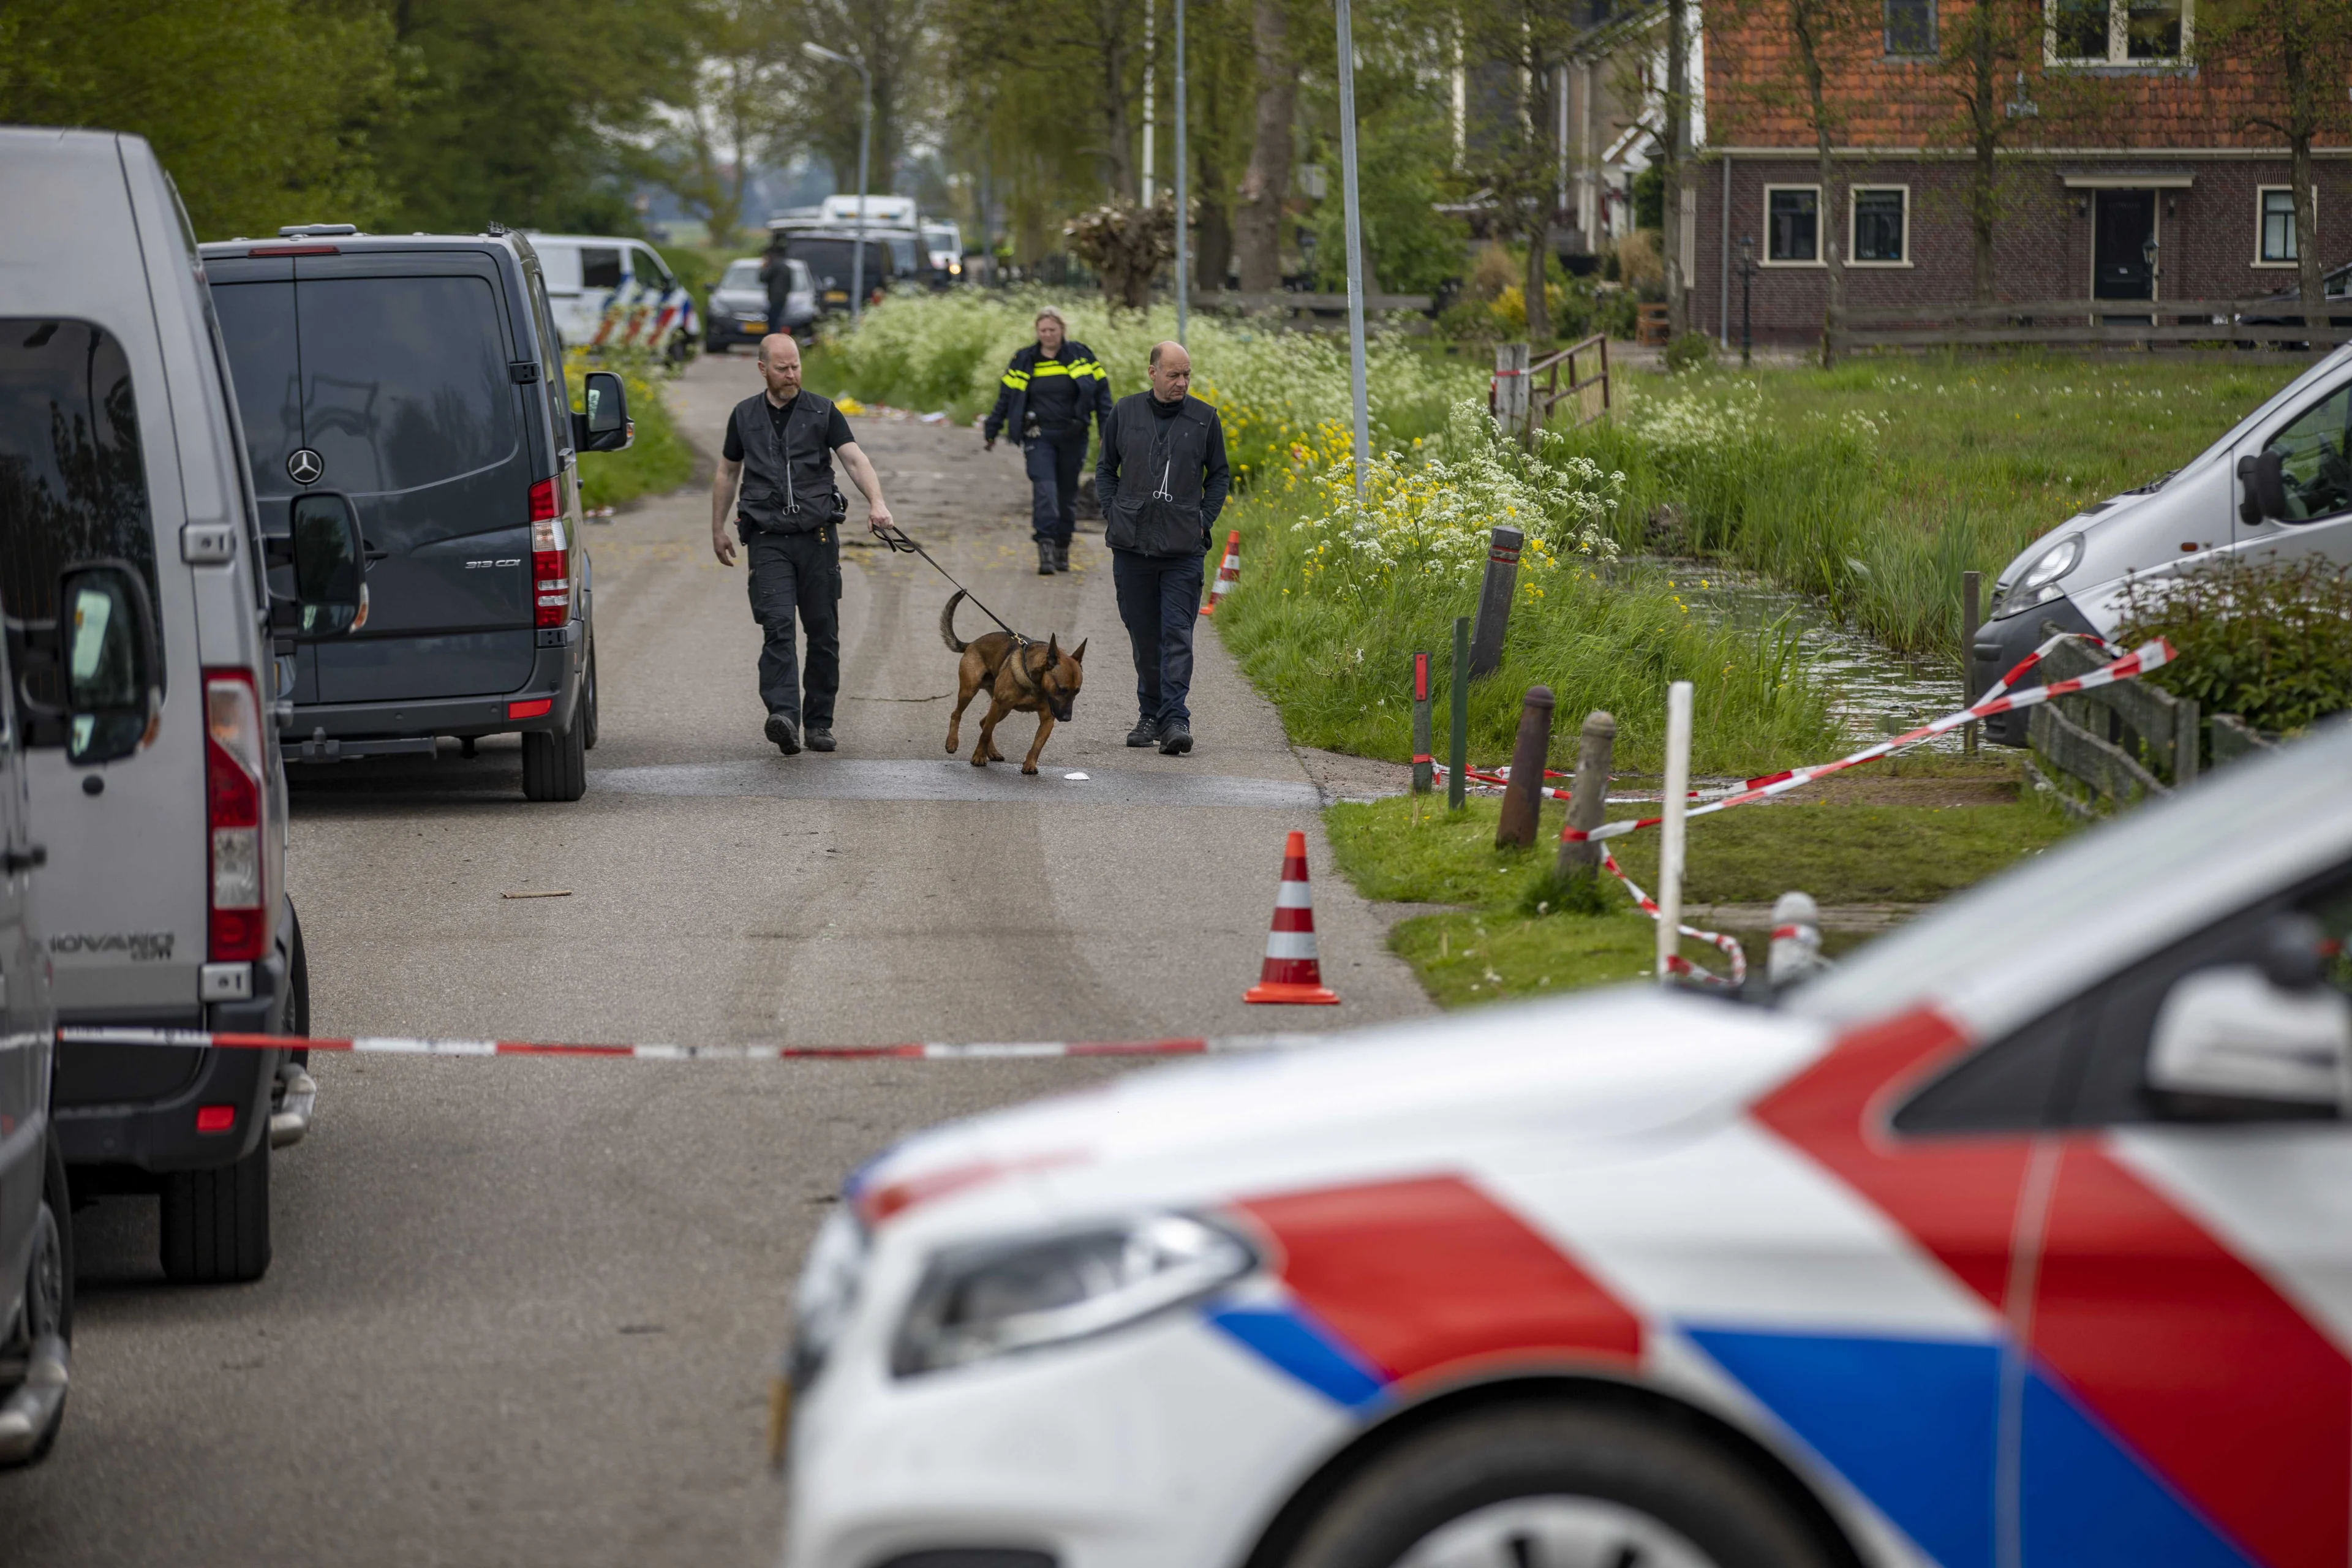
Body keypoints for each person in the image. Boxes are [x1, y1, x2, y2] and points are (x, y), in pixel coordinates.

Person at [710, 333, 895, 756]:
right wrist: (718, 528)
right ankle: (783, 717)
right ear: (763, 369)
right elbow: (727, 472)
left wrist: (877, 503)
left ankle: (818, 723)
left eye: (795, 366)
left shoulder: (822, 410)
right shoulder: (744, 416)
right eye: (782, 368)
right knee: (777, 628)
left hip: (818, 538)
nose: (792, 374)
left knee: (823, 634)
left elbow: (853, 458)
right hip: (767, 538)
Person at [1095, 341, 1229, 757]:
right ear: (1152, 373)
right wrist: (1113, 511)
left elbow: (1220, 475)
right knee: (1144, 635)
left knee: (1176, 635)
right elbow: (1104, 469)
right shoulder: (1125, 412)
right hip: (1132, 546)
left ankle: (1175, 720)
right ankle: (1149, 715)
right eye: (1173, 374)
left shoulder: (1205, 419)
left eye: (1187, 374)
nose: (1182, 382)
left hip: (1182, 551)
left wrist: (1203, 520)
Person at [982, 306, 1112, 576]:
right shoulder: (1024, 360)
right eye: (1043, 330)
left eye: (1053, 329)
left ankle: (1063, 545)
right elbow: (1006, 397)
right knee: (1045, 491)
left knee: (1067, 495)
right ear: (1037, 332)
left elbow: (1102, 396)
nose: (1048, 334)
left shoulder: (1081, 356)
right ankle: (1045, 545)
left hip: (1073, 436)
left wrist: (1106, 432)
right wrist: (992, 429)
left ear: (1062, 330)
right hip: (1037, 437)